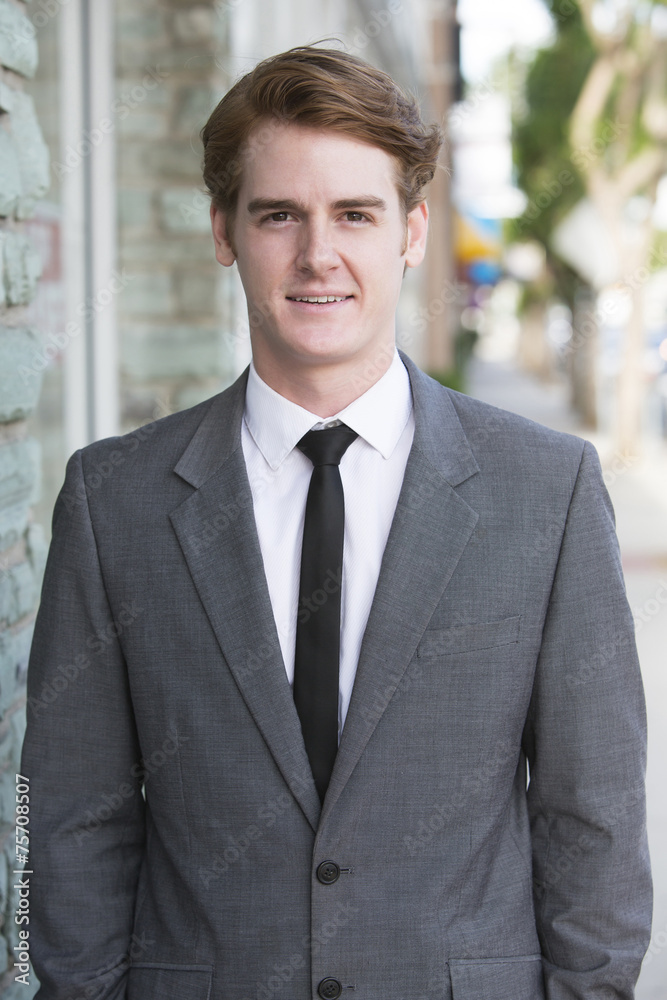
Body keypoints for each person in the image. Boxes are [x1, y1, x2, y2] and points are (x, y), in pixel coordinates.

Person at [22, 45, 651, 1000]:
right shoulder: (115, 501)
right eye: (280, 215)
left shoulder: (546, 491)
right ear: (224, 232)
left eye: (354, 214)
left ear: (410, 230)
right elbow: (65, 814)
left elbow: (591, 816)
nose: (318, 255)